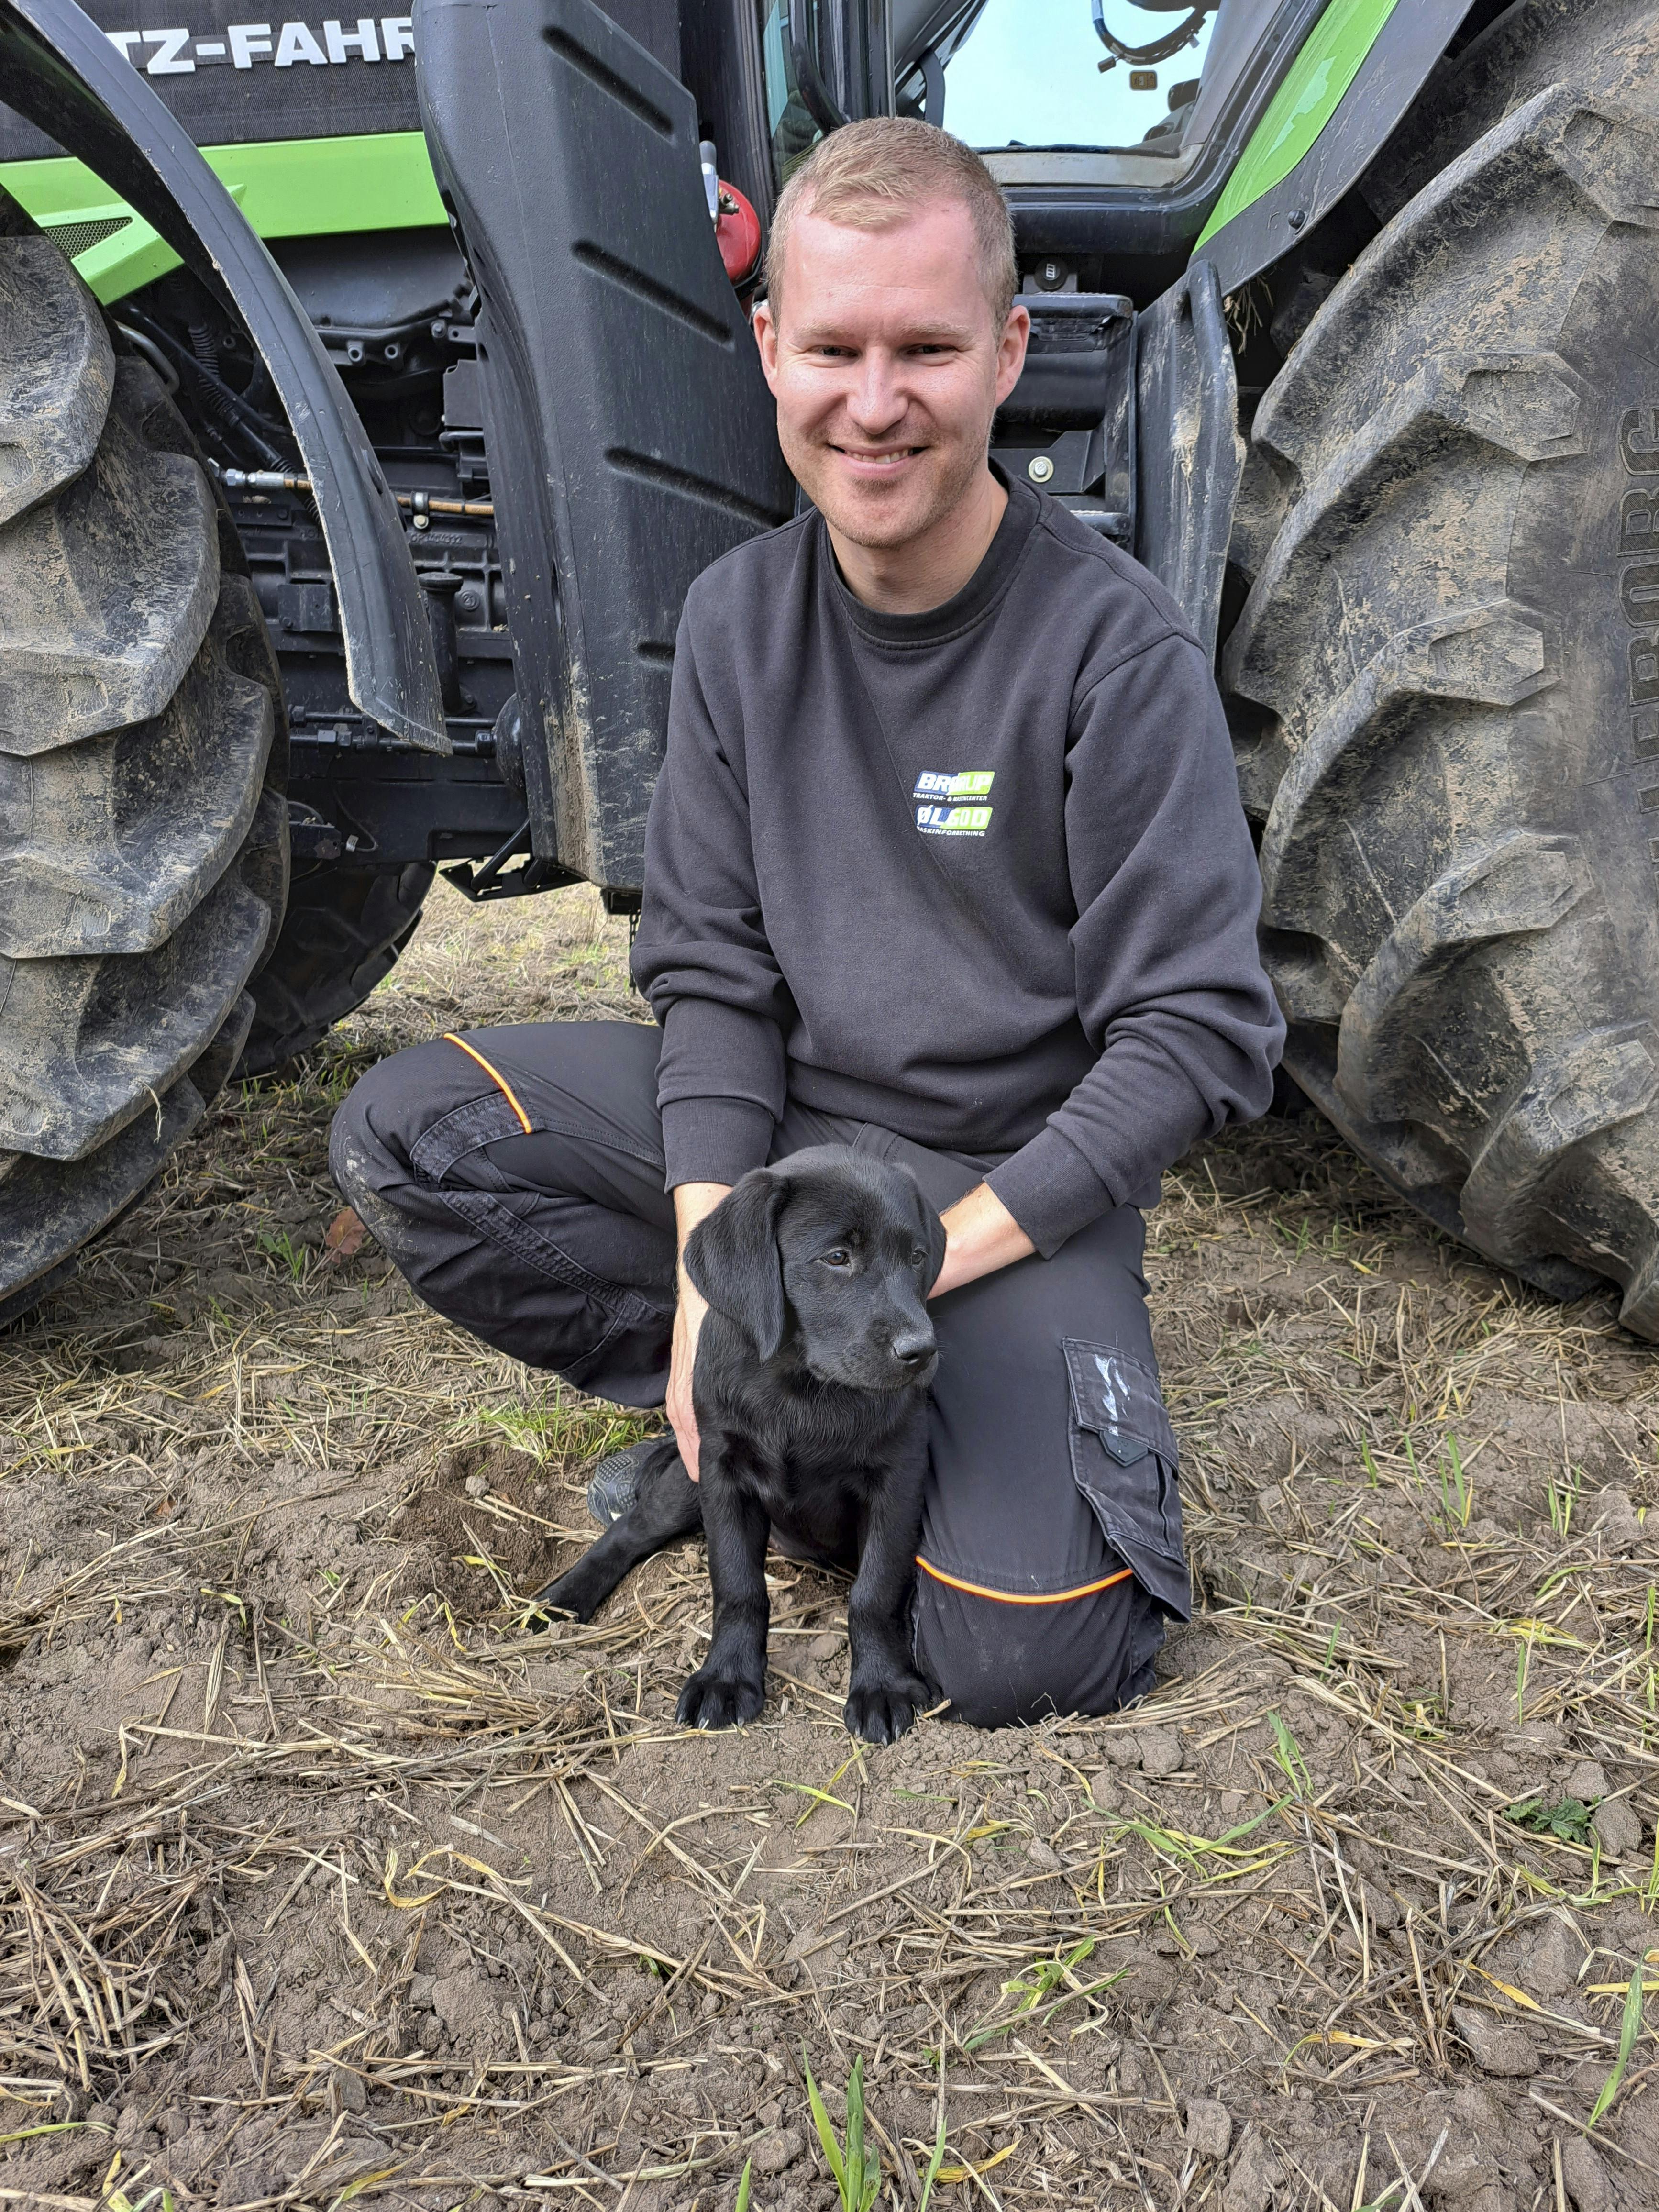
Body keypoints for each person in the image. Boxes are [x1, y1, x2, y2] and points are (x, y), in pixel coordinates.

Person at [329, 117, 1283, 1726]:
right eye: (831, 346)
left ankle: (883, 1406)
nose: (875, 400)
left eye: (926, 347)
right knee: (414, 1136)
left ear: (1006, 352)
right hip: (786, 1172)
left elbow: (1191, 1033)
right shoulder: (734, 622)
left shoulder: (1112, 652)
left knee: (1023, 1658)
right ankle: (771, 1415)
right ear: (770, 348)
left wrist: (928, 1272)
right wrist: (719, 1272)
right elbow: (708, 968)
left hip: (997, 1191)